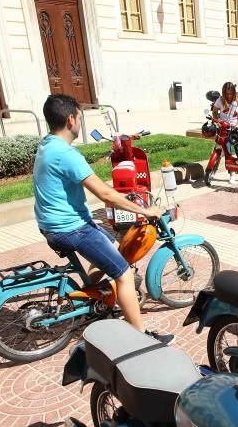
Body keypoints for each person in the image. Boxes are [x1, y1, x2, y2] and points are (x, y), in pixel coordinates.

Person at [33, 95, 172, 344]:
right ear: (71, 119)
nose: (80, 123)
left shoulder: (47, 144)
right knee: (124, 274)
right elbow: (105, 193)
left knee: (109, 244)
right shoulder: (66, 154)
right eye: (79, 118)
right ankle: (142, 336)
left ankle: (94, 296)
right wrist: (145, 211)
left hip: (52, 224)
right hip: (70, 228)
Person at [212, 81, 238, 184]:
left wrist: (236, 126)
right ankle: (231, 175)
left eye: (230, 93)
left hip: (235, 130)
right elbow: (214, 112)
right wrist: (218, 121)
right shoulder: (220, 100)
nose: (229, 95)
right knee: (228, 154)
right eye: (226, 93)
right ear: (223, 92)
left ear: (233, 92)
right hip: (224, 130)